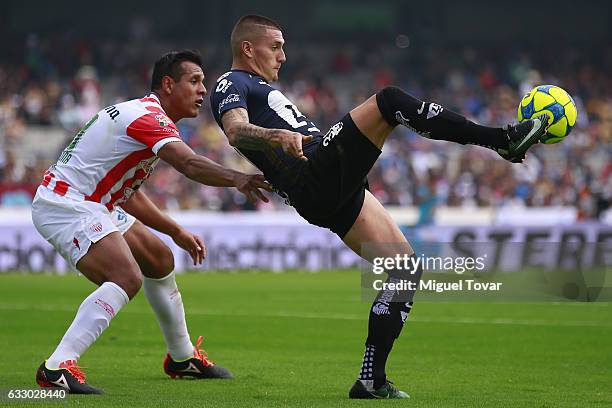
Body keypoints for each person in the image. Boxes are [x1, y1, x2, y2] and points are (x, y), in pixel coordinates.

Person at [210, 15, 549, 399]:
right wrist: (275, 135)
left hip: (330, 190)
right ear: (247, 48)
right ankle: (502, 140)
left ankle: (372, 379)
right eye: (276, 46)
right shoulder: (229, 82)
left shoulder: (257, 85)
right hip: (315, 170)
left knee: (405, 270)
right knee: (389, 101)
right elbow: (235, 129)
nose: (283, 56)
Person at [32, 50, 272, 394]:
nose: (203, 90)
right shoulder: (148, 118)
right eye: (194, 81)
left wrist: (175, 231)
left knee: (159, 259)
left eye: (204, 82)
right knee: (125, 276)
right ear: (168, 84)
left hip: (95, 201)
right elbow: (188, 164)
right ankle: (57, 367)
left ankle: (181, 357)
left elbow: (127, 193)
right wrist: (238, 178)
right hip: (68, 203)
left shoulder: (142, 115)